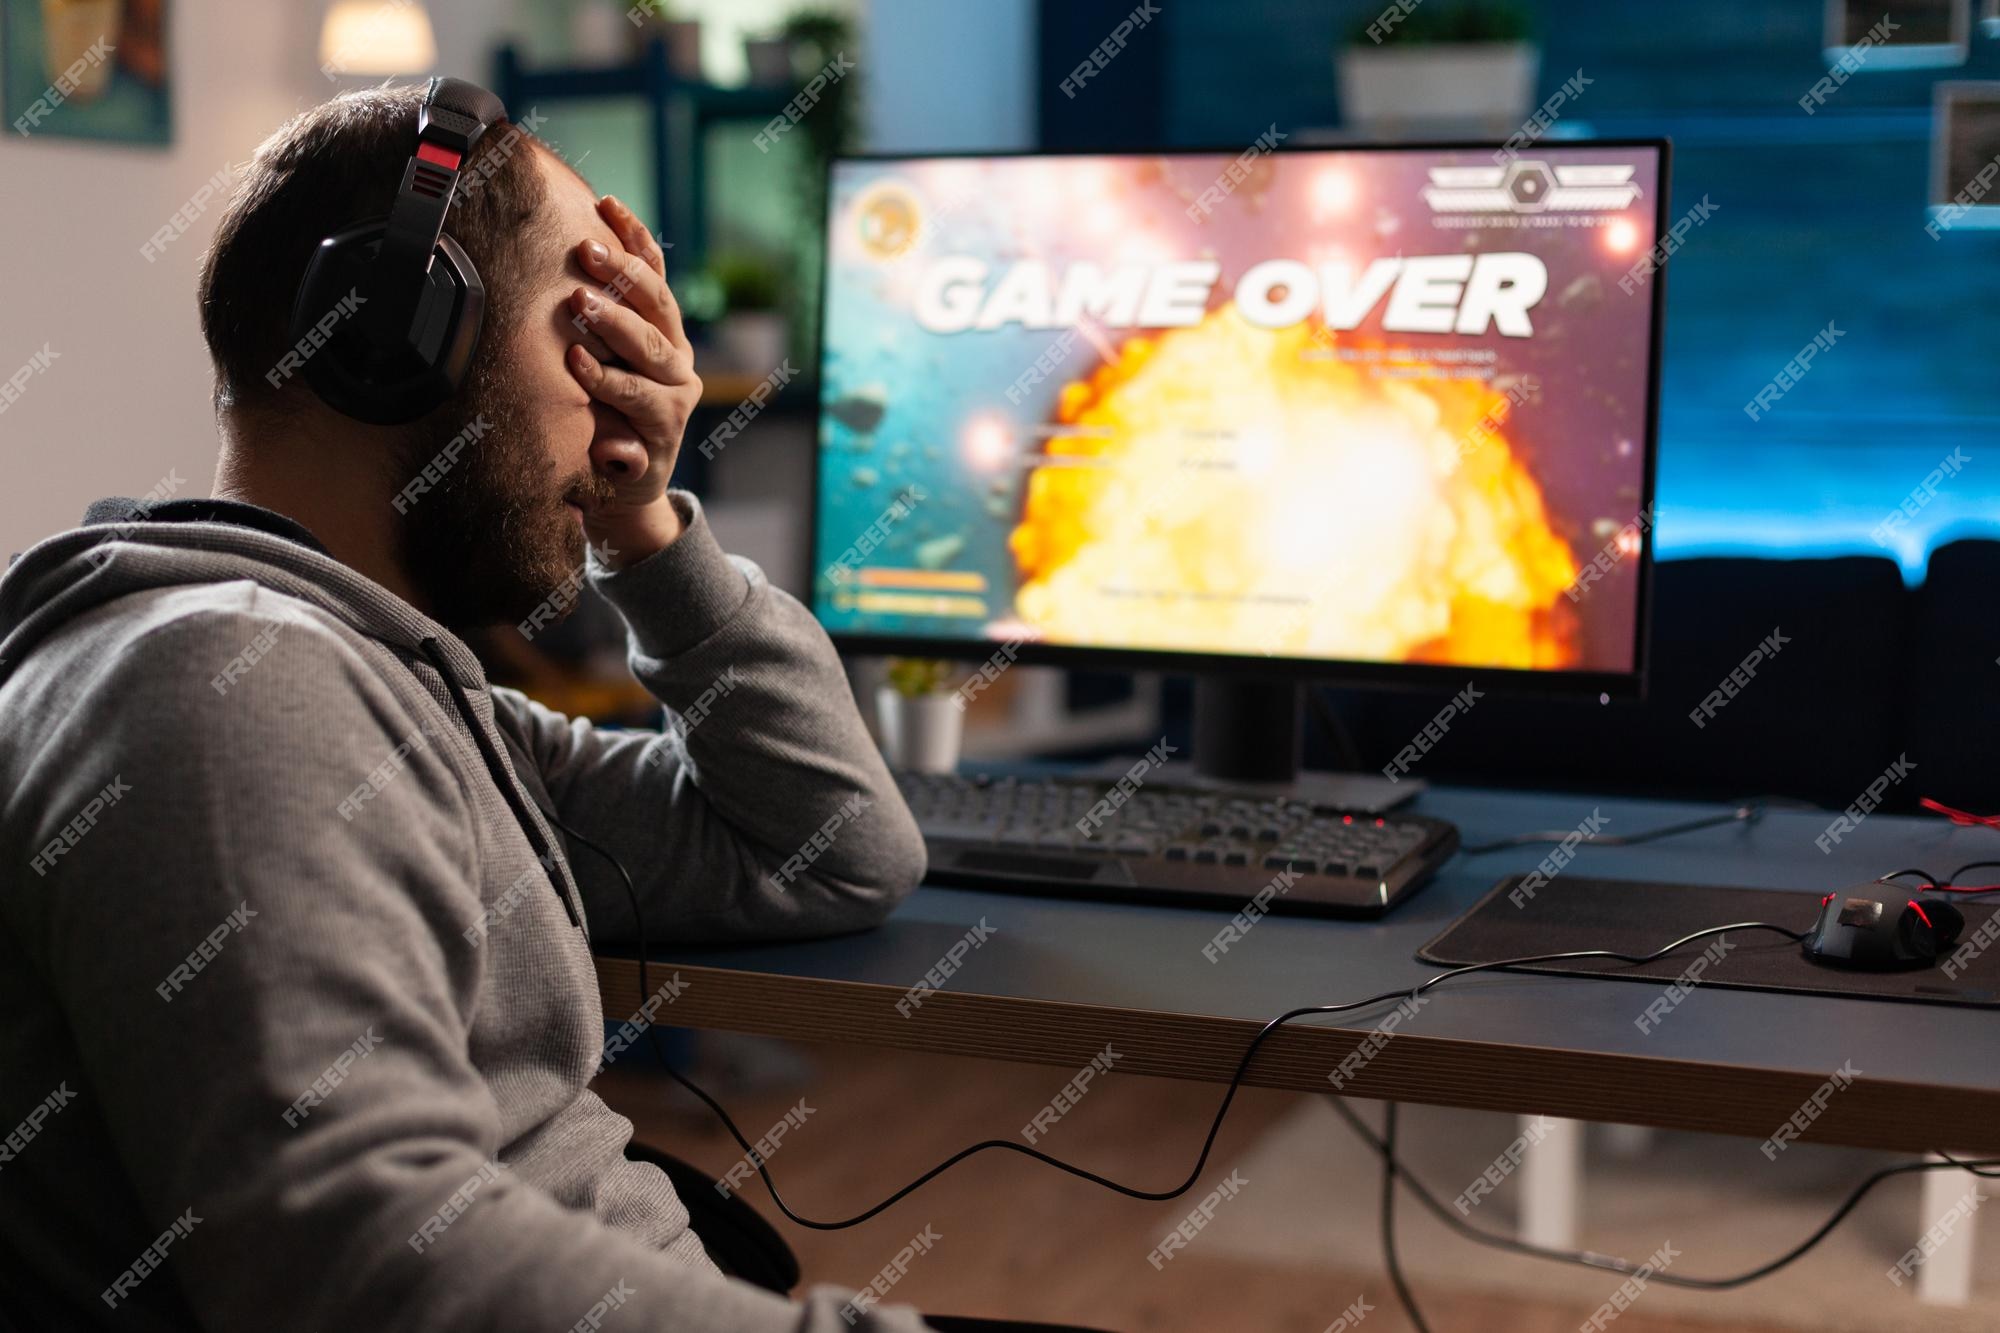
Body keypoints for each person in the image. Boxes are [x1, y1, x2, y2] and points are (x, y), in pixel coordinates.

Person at [0, 83, 937, 1331]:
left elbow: (826, 851)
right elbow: (350, 1267)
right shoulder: (231, 696)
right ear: (392, 343)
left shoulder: (376, 681)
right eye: (584, 338)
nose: (624, 414)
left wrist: (645, 528)